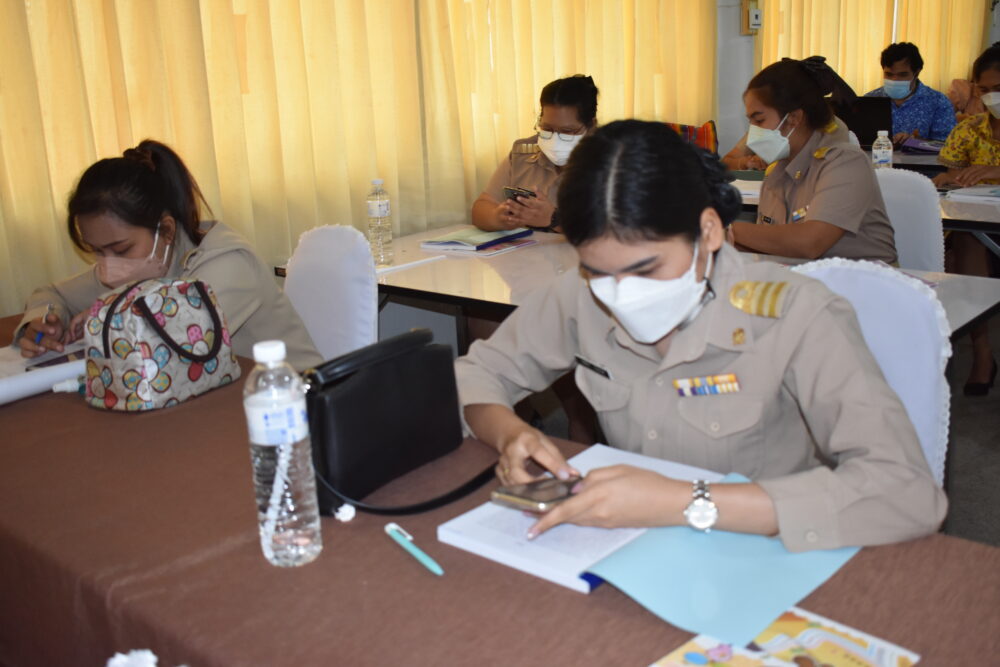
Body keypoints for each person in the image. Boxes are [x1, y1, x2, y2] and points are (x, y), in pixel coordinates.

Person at [455, 119, 946, 552]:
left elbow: (906, 492)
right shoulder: (583, 293)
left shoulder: (796, 313)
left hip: (763, 546)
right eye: (600, 271)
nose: (622, 294)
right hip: (627, 543)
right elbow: (475, 375)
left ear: (708, 231)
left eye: (647, 269)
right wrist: (511, 433)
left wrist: (685, 502)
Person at [16, 139, 323, 371]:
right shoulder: (136, 264)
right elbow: (52, 294)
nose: (108, 268)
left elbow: (171, 342)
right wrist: (44, 322)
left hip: (294, 405)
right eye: (98, 251)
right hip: (215, 405)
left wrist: (104, 315)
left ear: (166, 230)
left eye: (121, 249)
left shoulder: (228, 263)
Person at [728, 57, 897, 263]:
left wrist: (727, 229)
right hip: (803, 278)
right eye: (751, 121)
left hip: (867, 280)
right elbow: (770, 244)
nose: (753, 131)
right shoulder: (776, 173)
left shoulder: (846, 163)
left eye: (759, 120)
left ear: (793, 118)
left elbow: (810, 242)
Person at [932, 43, 1000, 395]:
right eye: (984, 90)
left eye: (998, 89)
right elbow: (949, 174)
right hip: (980, 224)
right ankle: (982, 352)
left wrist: (993, 171)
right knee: (963, 240)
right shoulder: (969, 129)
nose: (991, 98)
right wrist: (947, 180)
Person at [471, 75, 599, 232]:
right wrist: (498, 218)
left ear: (591, 127)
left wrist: (554, 219)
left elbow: (617, 233)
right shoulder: (523, 154)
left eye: (567, 131)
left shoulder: (613, 164)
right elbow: (482, 206)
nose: (554, 140)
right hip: (528, 247)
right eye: (547, 129)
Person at [863, 42, 956, 144]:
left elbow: (948, 145)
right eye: (889, 74)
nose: (895, 80)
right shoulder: (869, 100)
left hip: (919, 155)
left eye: (902, 75)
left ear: (916, 73)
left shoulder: (938, 102)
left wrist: (916, 141)